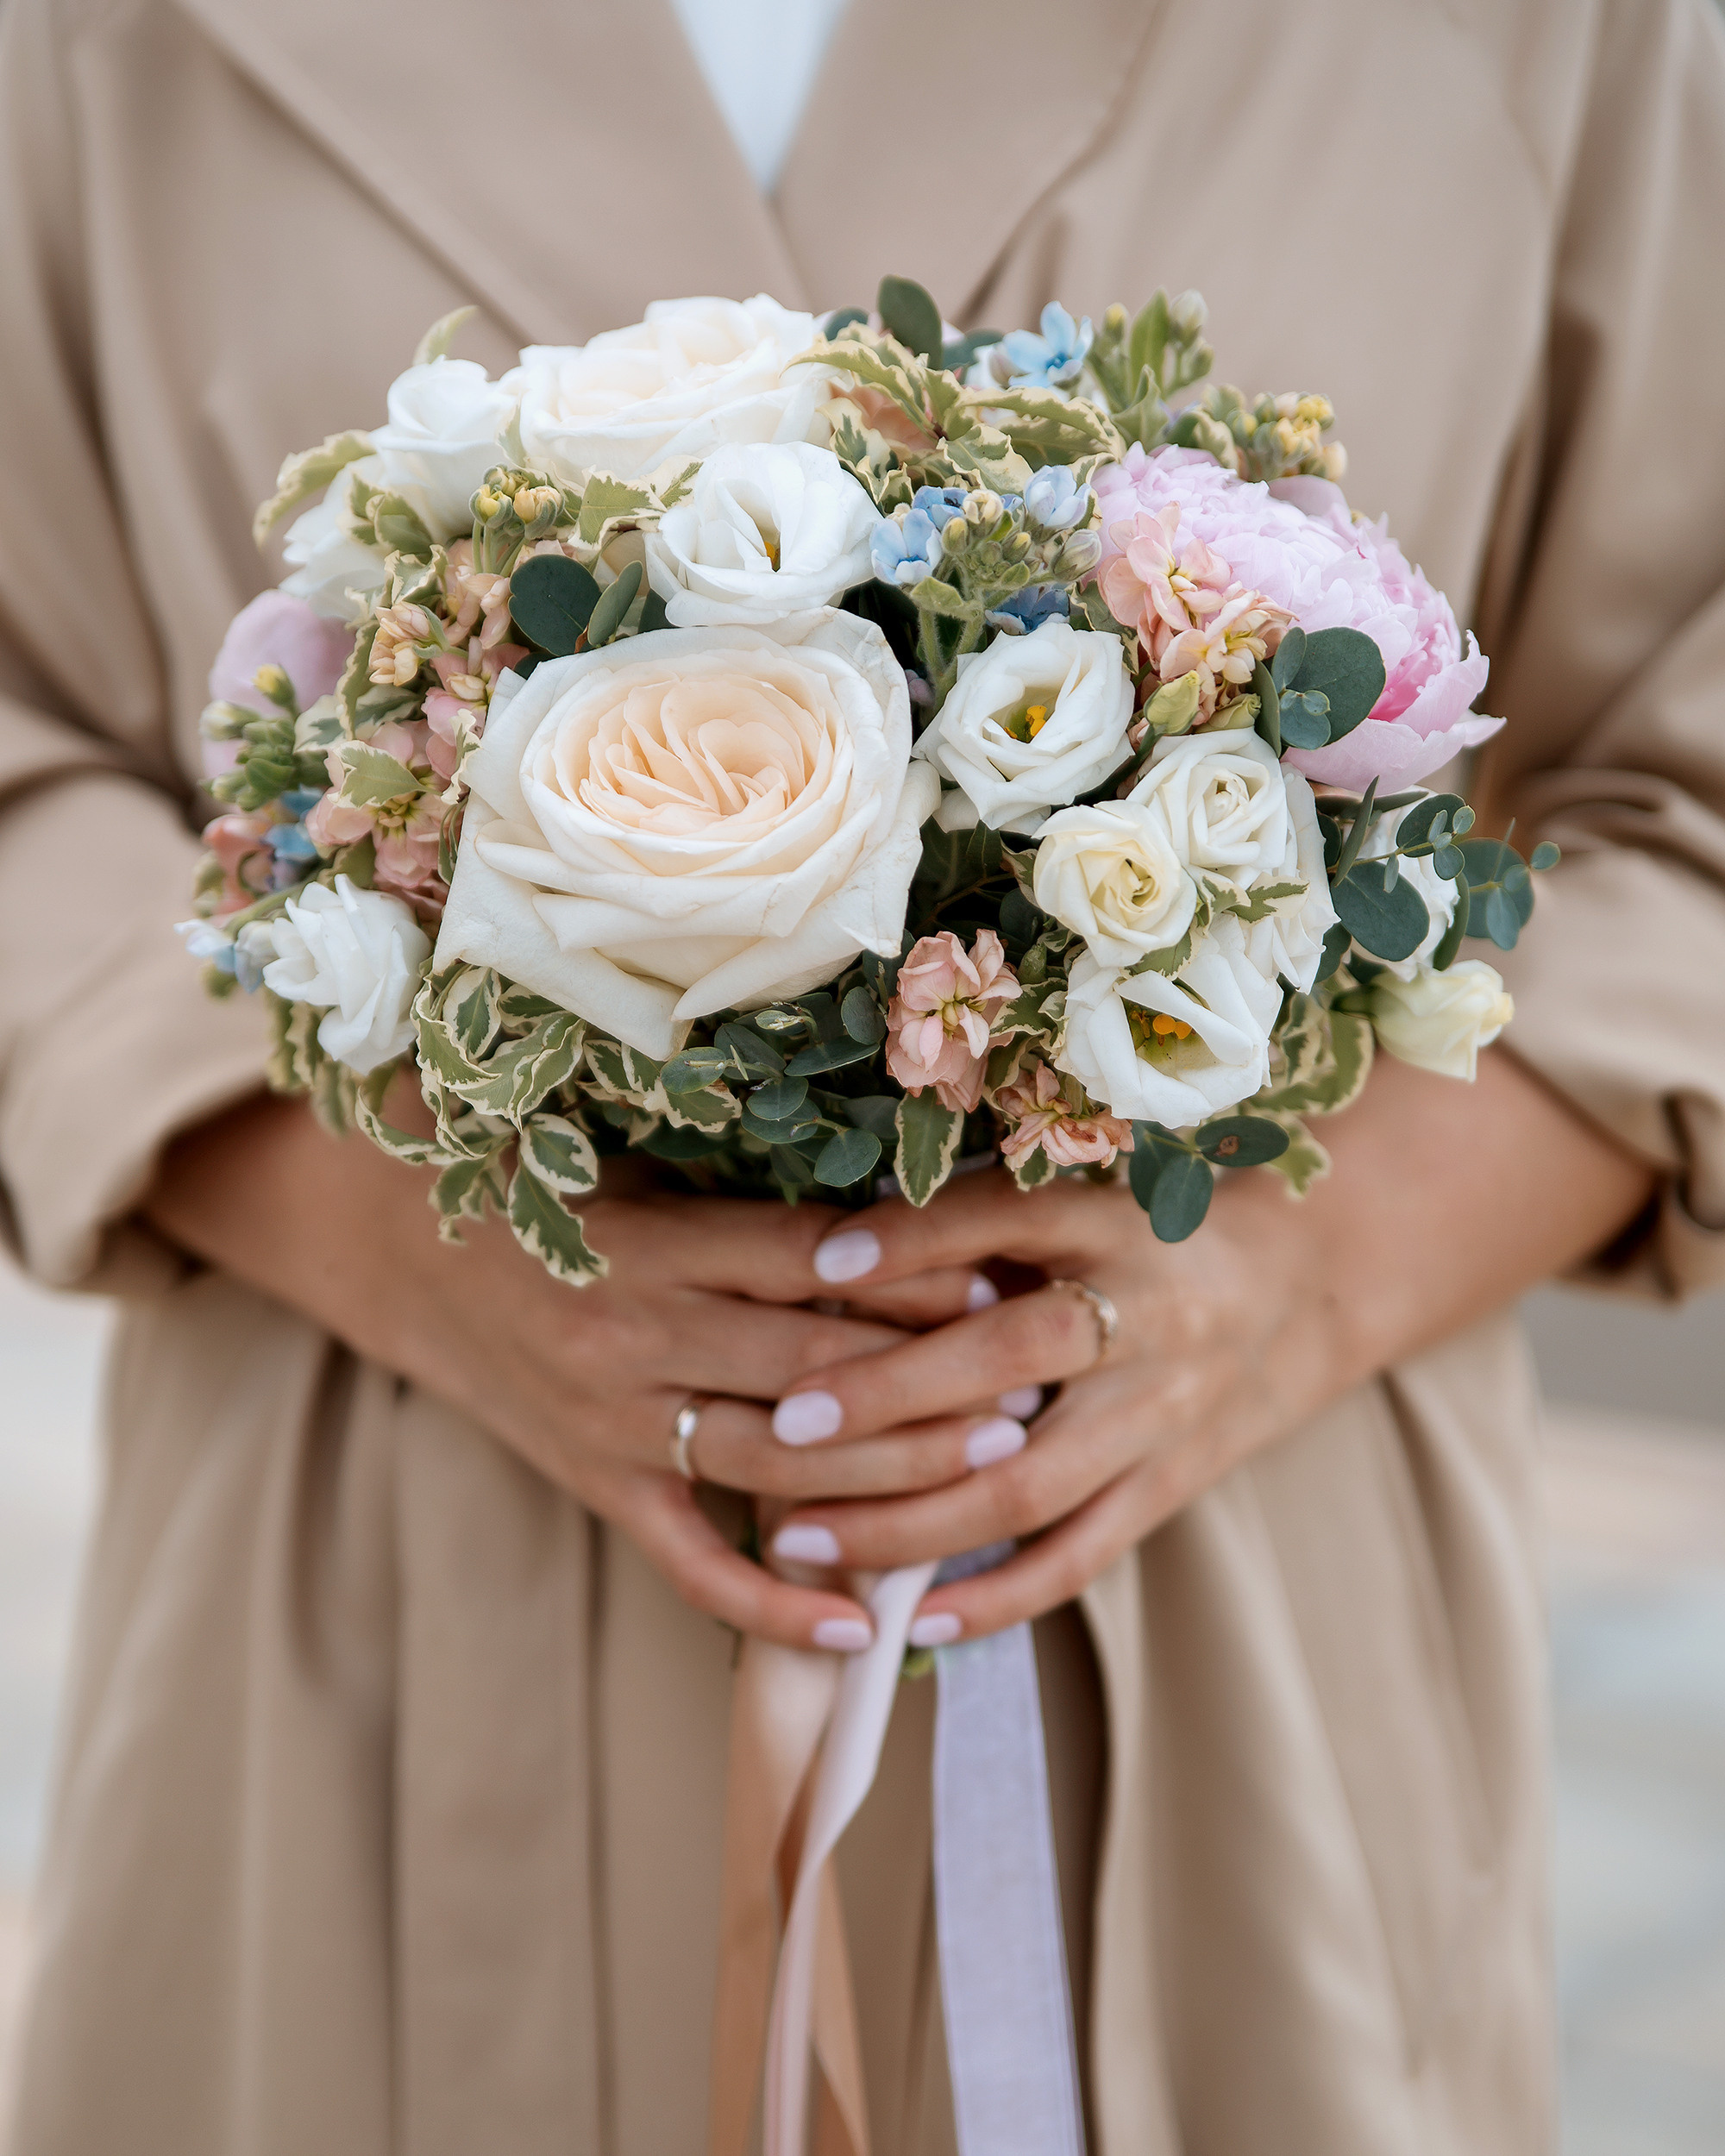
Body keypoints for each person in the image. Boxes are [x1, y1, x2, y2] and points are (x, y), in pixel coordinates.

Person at [1, 1, 1722, 2150]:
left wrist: (1296, 1273)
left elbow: (1689, 776)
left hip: (1209, 1619)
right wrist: (389, 1222)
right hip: (375, 1601)